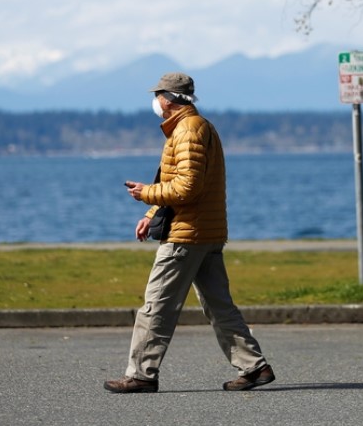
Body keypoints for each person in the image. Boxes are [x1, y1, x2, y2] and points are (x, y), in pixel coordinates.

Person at [104, 72, 274, 394]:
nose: (155, 102)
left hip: (186, 236)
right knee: (219, 306)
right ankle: (254, 367)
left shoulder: (187, 131)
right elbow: (183, 181)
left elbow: (186, 188)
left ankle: (141, 374)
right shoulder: (194, 127)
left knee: (156, 306)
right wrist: (151, 214)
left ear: (168, 99)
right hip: (204, 232)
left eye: (157, 96)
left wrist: (146, 193)